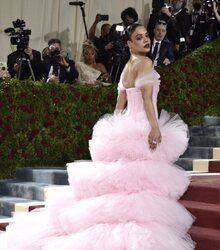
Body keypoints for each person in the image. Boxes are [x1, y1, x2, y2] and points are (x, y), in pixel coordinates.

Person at [0, 23, 195, 249]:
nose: (146, 40)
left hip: (126, 125)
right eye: (139, 37)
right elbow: (148, 100)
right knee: (139, 183)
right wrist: (153, 127)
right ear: (130, 43)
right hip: (142, 124)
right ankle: (130, 223)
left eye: (147, 36)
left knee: (123, 179)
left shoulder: (126, 67)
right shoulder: (145, 62)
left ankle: (111, 219)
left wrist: (116, 129)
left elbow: (118, 107)